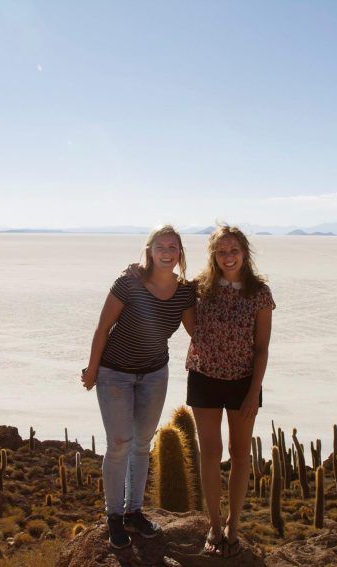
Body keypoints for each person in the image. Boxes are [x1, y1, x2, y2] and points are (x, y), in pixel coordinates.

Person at [81, 225, 196, 549]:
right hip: (114, 373)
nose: (167, 251)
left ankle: (134, 512)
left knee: (142, 444)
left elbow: (196, 332)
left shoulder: (185, 291)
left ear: (179, 253)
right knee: (119, 443)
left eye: (173, 246)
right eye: (161, 245)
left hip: (154, 375)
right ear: (150, 250)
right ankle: (113, 516)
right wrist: (92, 370)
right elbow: (104, 327)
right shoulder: (128, 283)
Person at [187, 225, 274, 557]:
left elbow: (262, 348)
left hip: (243, 384)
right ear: (214, 255)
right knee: (209, 453)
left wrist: (254, 392)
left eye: (233, 250)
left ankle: (232, 524)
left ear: (244, 252)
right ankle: (213, 523)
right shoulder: (198, 289)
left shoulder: (260, 293)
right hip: (204, 378)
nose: (228, 257)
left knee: (240, 455)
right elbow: (186, 318)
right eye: (221, 251)